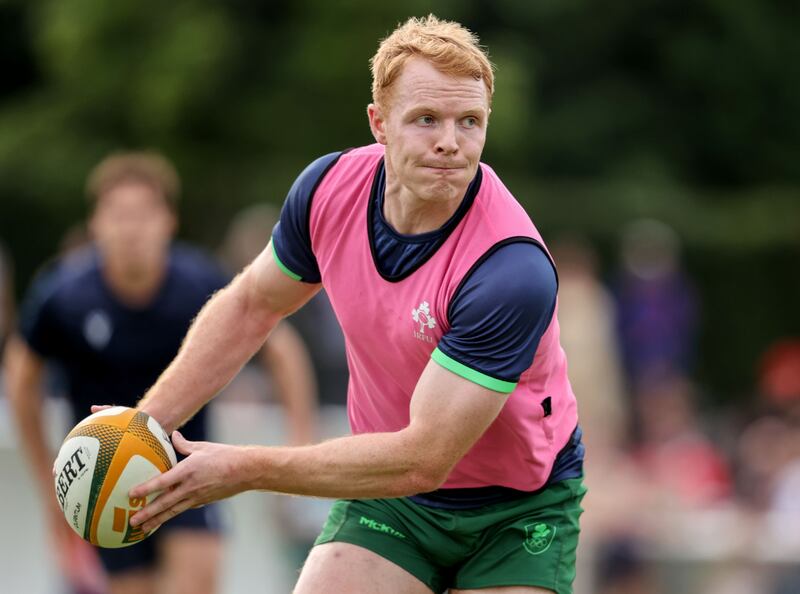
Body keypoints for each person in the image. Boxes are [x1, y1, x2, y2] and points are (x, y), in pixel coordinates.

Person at [119, 16, 586, 594]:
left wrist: (242, 468)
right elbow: (250, 308)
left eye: (470, 122)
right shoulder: (327, 190)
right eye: (426, 120)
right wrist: (139, 429)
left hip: (517, 508)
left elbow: (424, 457)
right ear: (379, 124)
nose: (450, 141)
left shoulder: (509, 271)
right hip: (394, 501)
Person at [3, 151, 317, 594]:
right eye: (118, 214)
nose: (131, 228)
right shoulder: (63, 296)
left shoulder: (199, 283)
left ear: (168, 220)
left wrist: (298, 439)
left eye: (144, 214)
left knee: (195, 582)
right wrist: (48, 479)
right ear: (96, 223)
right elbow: (21, 376)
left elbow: (282, 351)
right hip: (102, 480)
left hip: (186, 467)